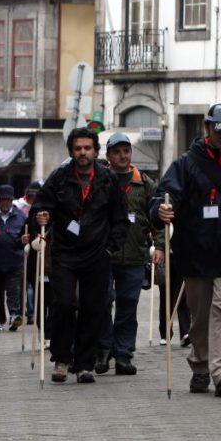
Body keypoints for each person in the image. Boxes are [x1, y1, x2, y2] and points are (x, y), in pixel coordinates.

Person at [149, 103, 221, 398]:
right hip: (195, 249)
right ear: (207, 128)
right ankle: (201, 366)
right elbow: (165, 195)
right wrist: (162, 210)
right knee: (200, 314)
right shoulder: (185, 163)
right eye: (220, 130)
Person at [30, 127, 129, 384]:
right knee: (63, 304)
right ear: (72, 152)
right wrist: (41, 216)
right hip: (65, 253)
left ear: (95, 151)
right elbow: (40, 207)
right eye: (78, 148)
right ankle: (62, 359)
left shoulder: (108, 179)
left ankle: (85, 363)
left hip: (97, 254)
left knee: (93, 307)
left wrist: (111, 248)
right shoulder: (60, 177)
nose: (83, 153)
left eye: (87, 148)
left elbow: (120, 219)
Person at [96, 133, 163, 376]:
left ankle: (123, 354)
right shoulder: (100, 181)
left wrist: (161, 246)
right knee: (103, 302)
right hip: (103, 255)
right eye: (117, 152)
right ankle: (102, 349)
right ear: (108, 155)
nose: (122, 156)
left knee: (128, 305)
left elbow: (157, 219)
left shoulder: (145, 184)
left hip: (135, 255)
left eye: (126, 151)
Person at [0, 185, 28, 332]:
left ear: (12, 201)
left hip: (15, 261)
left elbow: (25, 236)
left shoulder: (21, 217)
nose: (5, 203)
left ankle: (13, 315)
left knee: (14, 290)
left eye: (7, 200)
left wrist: (24, 240)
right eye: (2, 200)